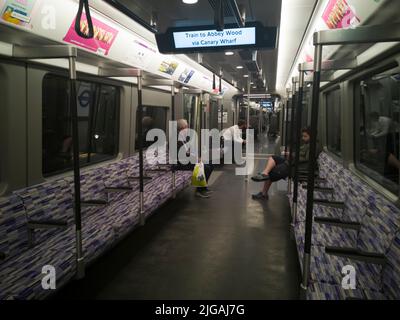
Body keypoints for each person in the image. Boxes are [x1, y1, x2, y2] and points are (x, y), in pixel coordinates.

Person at [251, 127, 316, 200]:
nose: (303, 138)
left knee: (271, 173)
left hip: (295, 166)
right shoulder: (307, 144)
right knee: (273, 158)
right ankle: (265, 173)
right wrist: (290, 153)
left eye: (305, 136)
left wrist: (292, 155)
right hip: (291, 161)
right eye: (303, 136)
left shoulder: (313, 146)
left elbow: (307, 159)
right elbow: (300, 153)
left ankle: (263, 193)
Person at [175, 119, 214, 198]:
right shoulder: (176, 140)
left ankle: (203, 187)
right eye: (186, 127)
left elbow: (187, 152)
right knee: (205, 167)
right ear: (182, 128)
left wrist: (197, 158)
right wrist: (196, 159)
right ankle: (199, 191)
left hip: (187, 160)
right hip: (181, 163)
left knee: (210, 164)